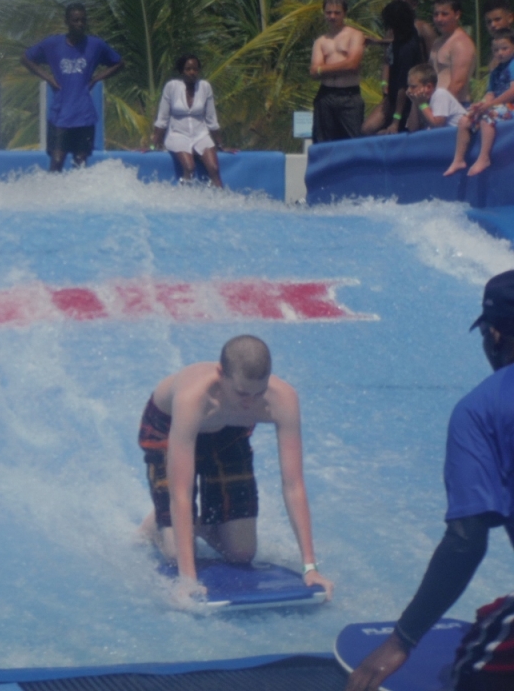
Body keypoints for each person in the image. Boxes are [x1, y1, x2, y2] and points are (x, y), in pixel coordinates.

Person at [345, 270, 514, 691]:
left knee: (474, 670)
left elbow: (465, 540)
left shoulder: (480, 410)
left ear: (495, 335)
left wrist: (402, 640)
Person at [136, 335, 335, 603]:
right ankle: (158, 523)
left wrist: (310, 568)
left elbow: (293, 485)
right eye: (242, 393)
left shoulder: (282, 399)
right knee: (177, 554)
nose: (250, 403)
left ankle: (194, 522)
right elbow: (181, 493)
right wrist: (187, 579)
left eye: (259, 393)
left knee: (241, 553)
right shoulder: (193, 398)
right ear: (220, 374)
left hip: (230, 432)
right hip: (168, 426)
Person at [22, 4, 124, 171]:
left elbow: (119, 63)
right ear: (67, 22)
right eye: (76, 20)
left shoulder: (95, 45)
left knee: (80, 163)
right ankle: (53, 195)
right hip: (60, 114)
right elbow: (26, 58)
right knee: (57, 161)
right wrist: (47, 78)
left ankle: (77, 196)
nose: (80, 24)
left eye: (83, 20)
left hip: (84, 115)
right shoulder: (53, 44)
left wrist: (96, 79)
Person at [151, 55, 236, 188]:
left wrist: (220, 145)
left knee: (213, 168)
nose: (192, 72)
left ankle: (221, 202)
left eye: (195, 69)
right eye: (188, 69)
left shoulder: (205, 87)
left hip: (200, 135)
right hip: (177, 135)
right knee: (190, 167)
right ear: (181, 71)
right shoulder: (171, 87)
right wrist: (152, 145)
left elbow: (211, 120)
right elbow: (162, 119)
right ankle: (185, 199)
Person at [444, 29, 514, 177]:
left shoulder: (513, 65)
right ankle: (459, 160)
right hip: (499, 106)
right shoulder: (496, 71)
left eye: (504, 48)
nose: (500, 53)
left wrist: (490, 105)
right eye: (496, 50)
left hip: (511, 106)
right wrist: (481, 105)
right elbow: (490, 94)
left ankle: (484, 158)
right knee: (465, 120)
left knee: (486, 118)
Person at [363, 0, 425, 135]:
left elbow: (403, 89)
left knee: (369, 130)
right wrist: (379, 42)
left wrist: (395, 121)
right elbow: (395, 41)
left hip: (406, 99)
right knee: (366, 129)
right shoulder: (410, 32)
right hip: (392, 96)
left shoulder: (406, 51)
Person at [310, 0, 366, 143]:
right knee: (322, 142)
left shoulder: (355, 35)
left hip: (349, 95)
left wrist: (323, 69)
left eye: (337, 13)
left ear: (344, 13)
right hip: (326, 95)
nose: (332, 16)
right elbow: (314, 72)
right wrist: (342, 65)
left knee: (353, 142)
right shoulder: (320, 41)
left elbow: (352, 64)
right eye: (329, 12)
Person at [430, 0, 477, 107]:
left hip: (456, 105)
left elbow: (458, 83)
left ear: (457, 15)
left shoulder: (461, 43)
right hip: (438, 106)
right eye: (436, 14)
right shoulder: (438, 42)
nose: (439, 19)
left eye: (444, 14)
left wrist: (441, 110)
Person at [405, 63, 467, 132]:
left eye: (413, 87)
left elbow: (438, 125)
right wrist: (415, 102)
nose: (408, 91)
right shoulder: (421, 101)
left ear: (428, 87)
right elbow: (412, 129)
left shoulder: (440, 94)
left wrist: (423, 104)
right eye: (408, 86)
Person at [484, 0, 514, 71]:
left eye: (497, 19)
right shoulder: (493, 49)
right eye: (489, 22)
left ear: (510, 17)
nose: (493, 24)